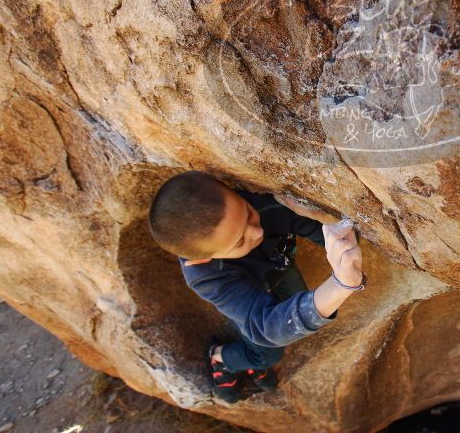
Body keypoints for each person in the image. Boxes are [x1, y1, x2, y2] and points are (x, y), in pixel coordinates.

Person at [147, 171, 366, 403]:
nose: (257, 231)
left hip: (279, 269)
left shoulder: (261, 202)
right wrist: (339, 286)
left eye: (248, 215)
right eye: (240, 241)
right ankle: (223, 359)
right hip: (248, 295)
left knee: (298, 302)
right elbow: (264, 327)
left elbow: (327, 232)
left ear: (232, 190)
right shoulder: (206, 276)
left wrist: (326, 221)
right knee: (267, 352)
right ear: (203, 259)